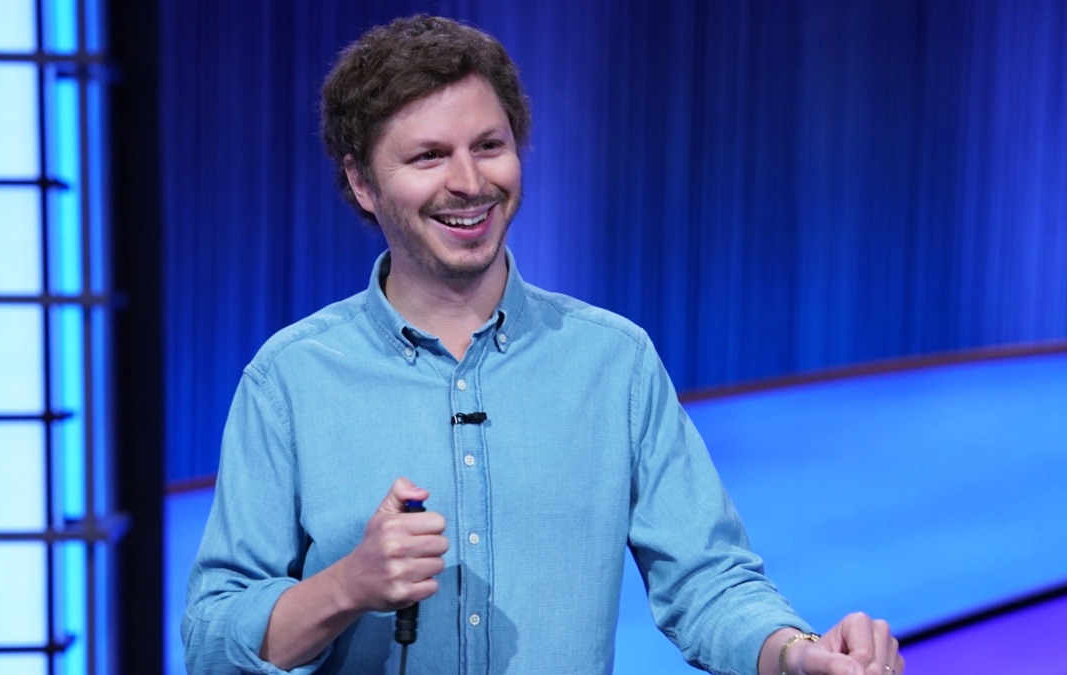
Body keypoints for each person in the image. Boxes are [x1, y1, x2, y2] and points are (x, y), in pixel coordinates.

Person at [182, 14, 904, 675]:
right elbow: (212, 641)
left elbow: (708, 582)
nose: (469, 182)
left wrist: (799, 654)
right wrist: (345, 586)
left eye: (489, 146)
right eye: (429, 156)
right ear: (362, 183)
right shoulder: (291, 378)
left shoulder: (614, 362)